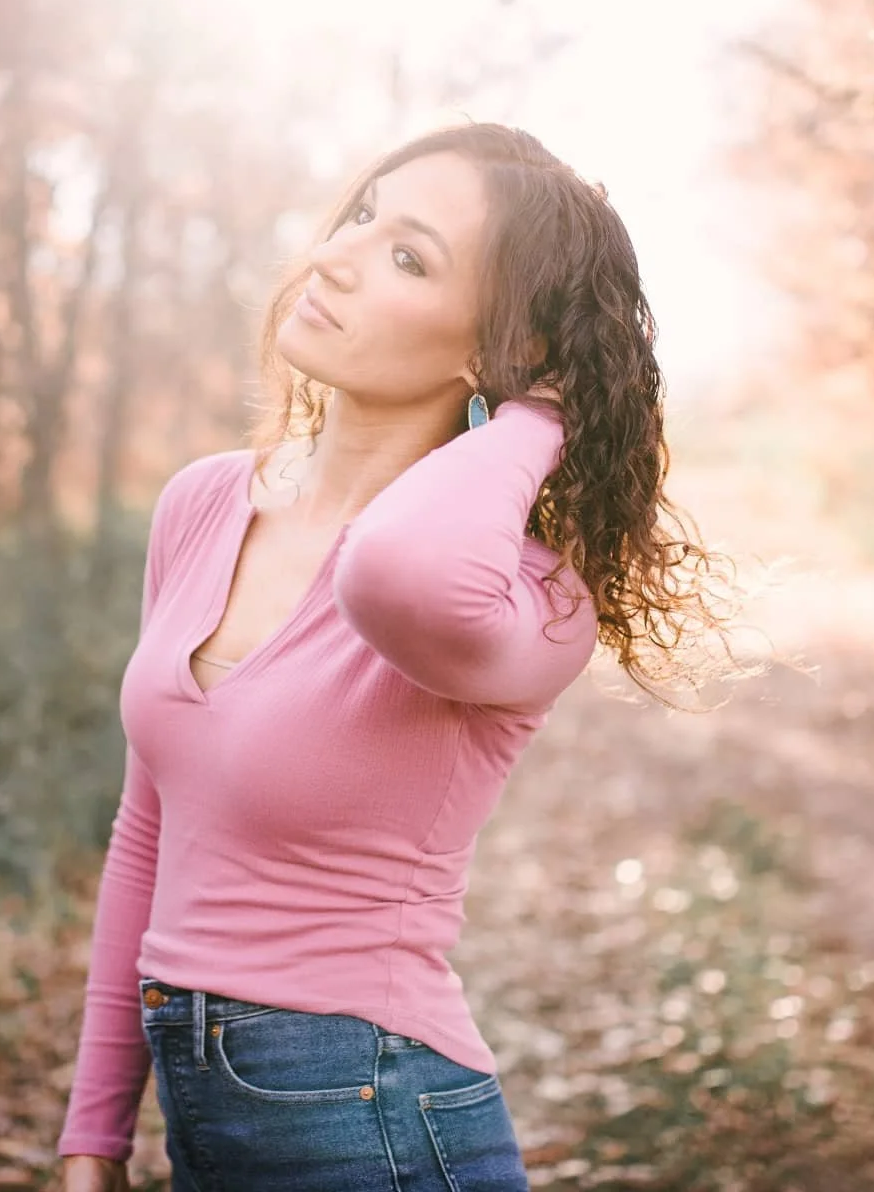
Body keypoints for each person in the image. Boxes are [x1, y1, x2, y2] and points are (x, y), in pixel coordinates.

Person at [59, 122, 735, 1191]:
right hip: (210, 1121)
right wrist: (93, 1131)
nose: (336, 255)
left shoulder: (532, 593)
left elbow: (390, 571)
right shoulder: (202, 503)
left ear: (492, 350)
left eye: (408, 257)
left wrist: (542, 411)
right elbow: (145, 830)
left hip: (374, 1116)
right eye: (363, 217)